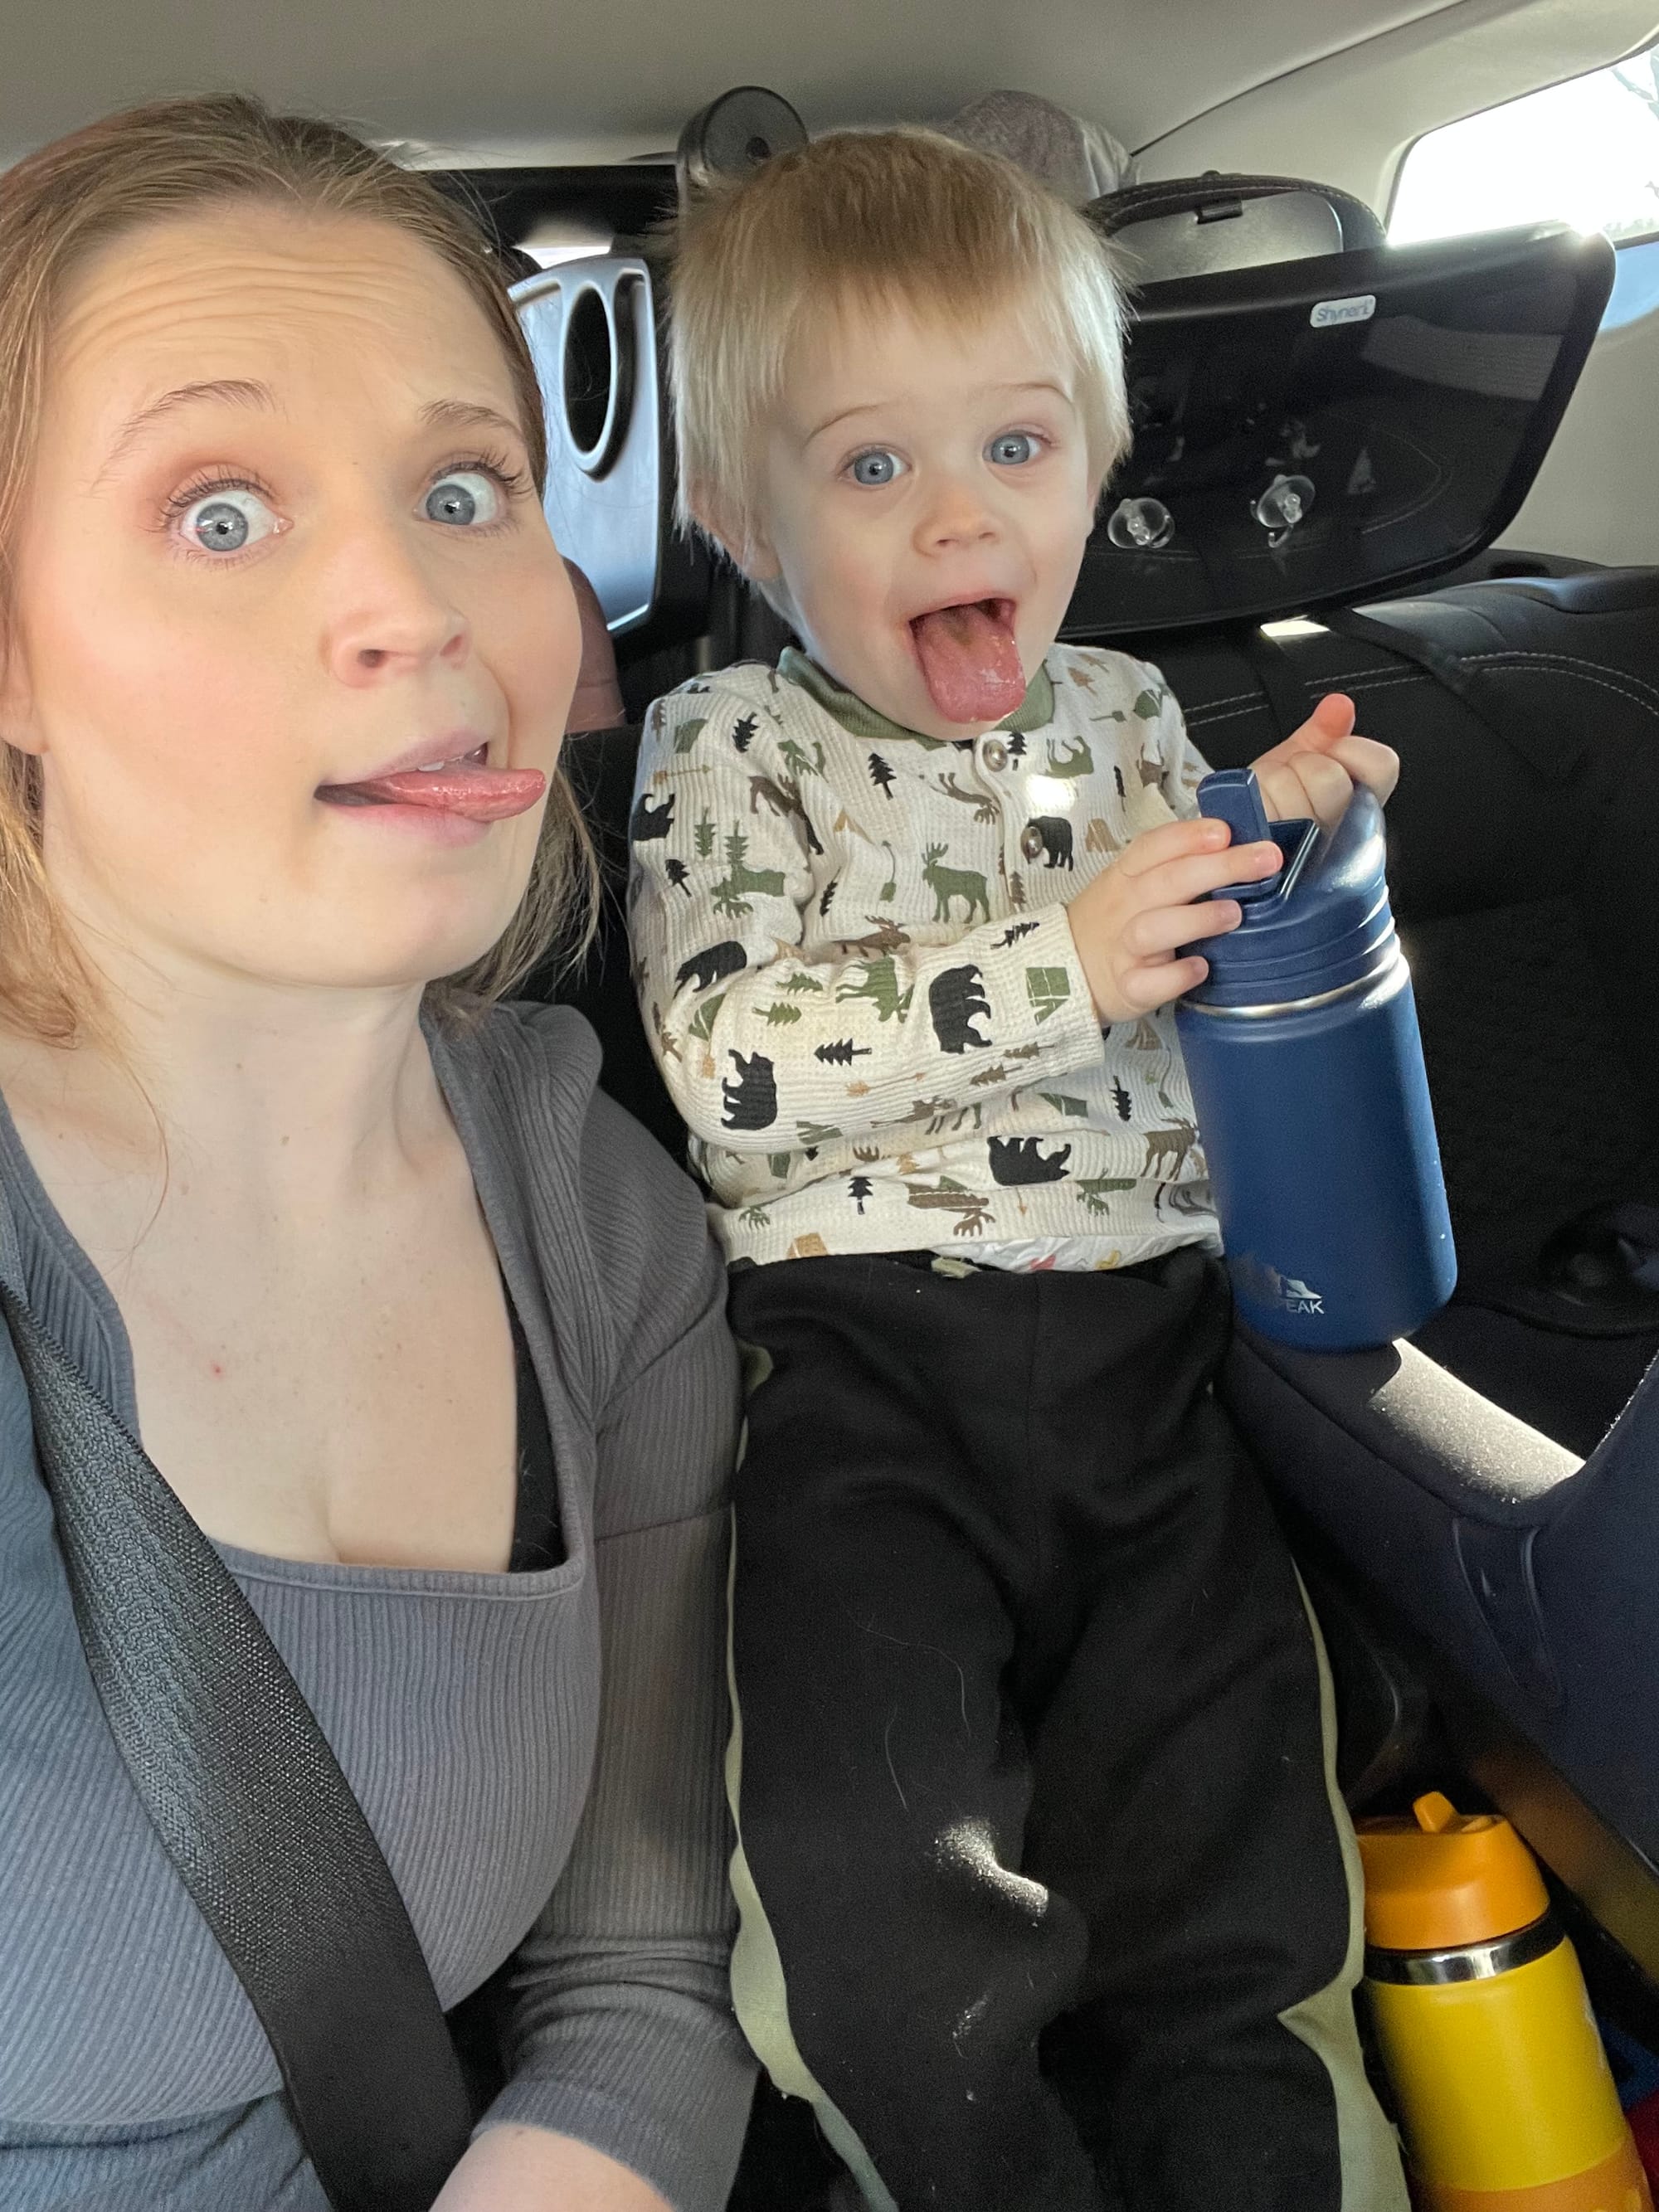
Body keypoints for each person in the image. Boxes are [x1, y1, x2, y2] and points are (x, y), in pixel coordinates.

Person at [629, 129, 1410, 2212]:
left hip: (1156, 1360)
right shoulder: (736, 747)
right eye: (872, 465)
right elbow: (727, 1062)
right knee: (884, 1900)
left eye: (1016, 445)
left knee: (1235, 1882)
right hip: (857, 1375)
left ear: (1096, 464)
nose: (959, 512)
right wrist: (1058, 961)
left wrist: (1281, 836)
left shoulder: (1136, 713)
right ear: (743, 515)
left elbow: (1211, 962)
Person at [0, 94, 752, 2212]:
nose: (413, 606)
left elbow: (635, 1986)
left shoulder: (605, 1219)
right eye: (222, 512)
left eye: (462, 489)